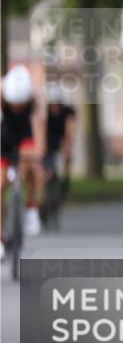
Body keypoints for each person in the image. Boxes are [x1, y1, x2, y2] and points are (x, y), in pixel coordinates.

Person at [1, 65, 46, 257]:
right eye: (14, 103)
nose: (17, 107)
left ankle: (31, 207)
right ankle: (1, 236)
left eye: (21, 103)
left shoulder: (35, 100)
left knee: (31, 166)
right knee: (1, 184)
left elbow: (39, 128)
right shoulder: (2, 94)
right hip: (4, 136)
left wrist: (39, 156)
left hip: (25, 135)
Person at [41, 82, 77, 225]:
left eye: (57, 104)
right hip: (46, 145)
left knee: (64, 166)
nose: (54, 107)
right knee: (44, 174)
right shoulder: (44, 112)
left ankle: (64, 189)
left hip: (61, 145)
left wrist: (68, 149)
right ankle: (43, 204)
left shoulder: (68, 112)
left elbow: (70, 132)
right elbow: (41, 131)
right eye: (52, 104)